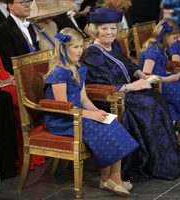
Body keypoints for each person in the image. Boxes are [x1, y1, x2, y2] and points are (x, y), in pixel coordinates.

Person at [82, 7, 180, 182]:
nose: (110, 32)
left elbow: (128, 64)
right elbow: (103, 82)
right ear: (96, 29)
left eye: (113, 28)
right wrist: (130, 87)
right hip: (111, 98)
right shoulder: (92, 53)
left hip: (129, 90)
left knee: (157, 98)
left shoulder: (115, 45)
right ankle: (145, 162)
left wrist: (140, 74)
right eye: (105, 28)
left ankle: (161, 158)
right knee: (147, 105)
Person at [44, 27, 139, 197]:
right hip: (63, 120)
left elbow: (84, 99)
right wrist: (91, 115)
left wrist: (98, 112)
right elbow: (63, 107)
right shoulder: (59, 72)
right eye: (76, 47)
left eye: (81, 46)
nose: (81, 51)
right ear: (64, 49)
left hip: (79, 113)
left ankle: (115, 178)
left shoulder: (78, 68)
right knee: (101, 130)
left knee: (112, 123)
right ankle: (105, 179)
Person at [140, 18, 180, 131]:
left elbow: (160, 67)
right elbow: (146, 75)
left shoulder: (161, 48)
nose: (176, 41)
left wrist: (170, 72)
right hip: (156, 84)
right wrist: (168, 79)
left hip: (163, 78)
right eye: (174, 38)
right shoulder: (153, 50)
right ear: (165, 36)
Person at [0, 0, 39, 75]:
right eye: (22, 2)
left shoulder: (30, 25)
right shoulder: (3, 29)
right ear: (10, 6)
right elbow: (8, 63)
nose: (27, 5)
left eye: (28, 1)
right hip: (20, 78)